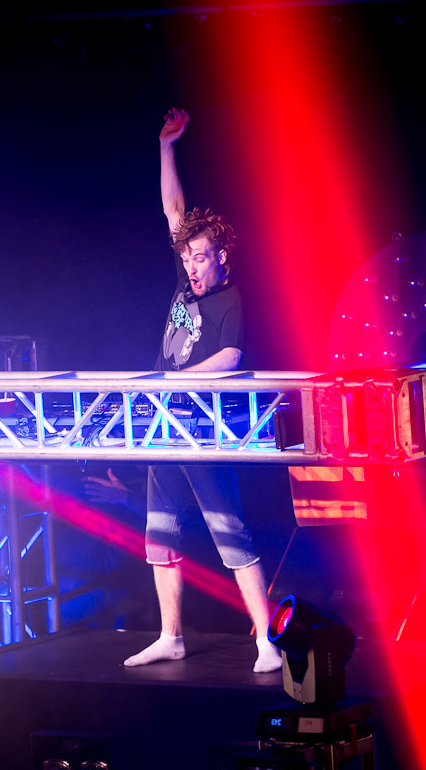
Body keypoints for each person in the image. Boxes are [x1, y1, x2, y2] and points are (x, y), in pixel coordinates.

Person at [122, 108, 281, 673]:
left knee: (229, 533)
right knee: (159, 533)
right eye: (186, 257)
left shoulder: (230, 300)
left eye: (201, 257)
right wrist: (167, 147)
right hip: (162, 424)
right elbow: (173, 211)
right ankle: (171, 636)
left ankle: (266, 641)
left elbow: (231, 359)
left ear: (222, 257)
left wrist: (173, 382)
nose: (191, 266)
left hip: (203, 428)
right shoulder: (185, 280)